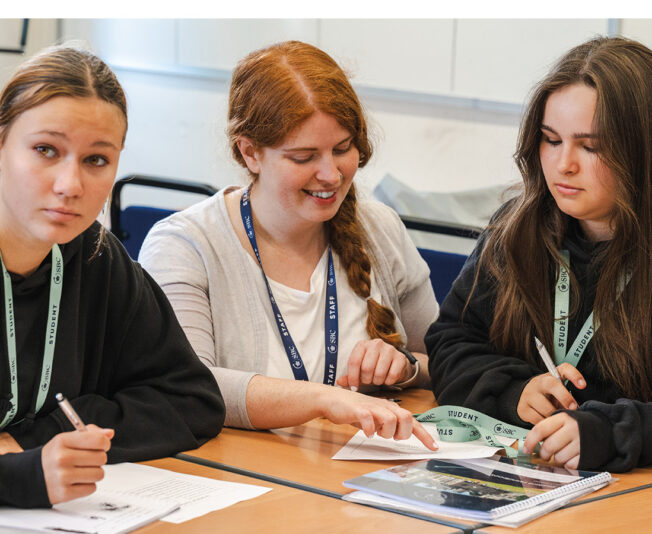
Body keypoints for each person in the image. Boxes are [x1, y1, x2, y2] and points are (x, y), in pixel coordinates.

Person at [140, 41, 438, 448]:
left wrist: (404, 366)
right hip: (250, 482)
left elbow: (444, 358)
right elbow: (190, 385)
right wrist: (325, 399)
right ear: (250, 153)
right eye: (304, 157)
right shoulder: (185, 245)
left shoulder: (378, 228)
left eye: (343, 149)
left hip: (356, 479)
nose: (331, 175)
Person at [0, 46, 226, 508]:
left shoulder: (95, 256)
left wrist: (36, 439)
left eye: (96, 160)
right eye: (46, 150)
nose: (71, 185)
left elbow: (191, 401)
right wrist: (16, 477)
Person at [426, 36, 652, 472]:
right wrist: (515, 391)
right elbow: (451, 341)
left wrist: (613, 432)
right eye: (551, 140)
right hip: (535, 480)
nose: (563, 164)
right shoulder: (516, 228)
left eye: (591, 146)